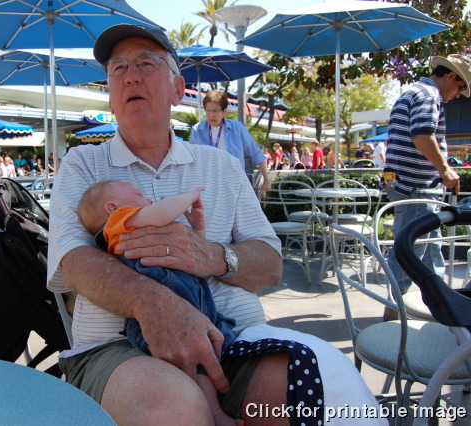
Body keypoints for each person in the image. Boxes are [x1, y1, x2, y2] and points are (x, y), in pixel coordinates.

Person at [47, 23, 381, 424]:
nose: (131, 76)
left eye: (146, 63)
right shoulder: (82, 164)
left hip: (232, 334)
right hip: (115, 346)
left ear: (177, 89)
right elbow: (72, 262)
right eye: (118, 68)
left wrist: (213, 256)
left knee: (327, 383)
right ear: (111, 97)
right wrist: (151, 303)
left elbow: (270, 264)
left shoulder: (221, 165)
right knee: (172, 407)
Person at [78, 181, 240, 426]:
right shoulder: (118, 221)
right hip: (169, 319)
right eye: (139, 194)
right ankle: (215, 413)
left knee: (204, 361)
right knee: (197, 365)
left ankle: (215, 412)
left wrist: (198, 229)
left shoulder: (136, 226)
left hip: (194, 307)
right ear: (113, 208)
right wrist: (189, 195)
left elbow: (193, 255)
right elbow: (161, 212)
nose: (149, 200)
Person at [384, 54, 469, 300]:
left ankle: (439, 300)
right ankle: (396, 305)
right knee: (412, 246)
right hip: (416, 182)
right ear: (450, 76)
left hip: (397, 179)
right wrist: (444, 169)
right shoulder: (429, 94)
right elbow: (422, 135)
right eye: (460, 88)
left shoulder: (413, 92)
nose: (457, 95)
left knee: (430, 243)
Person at [189, 90, 271, 193]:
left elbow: (256, 152)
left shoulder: (237, 128)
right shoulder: (197, 130)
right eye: (208, 110)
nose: (211, 115)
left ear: (225, 112)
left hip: (234, 184)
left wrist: (266, 179)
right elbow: (190, 158)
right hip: (207, 184)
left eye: (215, 110)